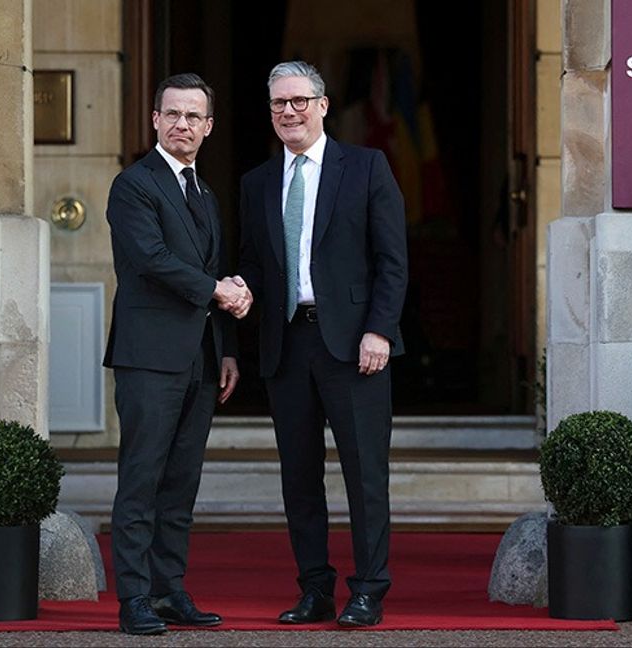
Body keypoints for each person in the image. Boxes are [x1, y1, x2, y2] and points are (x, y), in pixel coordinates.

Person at [237, 60, 407, 628]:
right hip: (286, 347)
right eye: (280, 103)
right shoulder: (257, 182)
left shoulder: (365, 167)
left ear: (323, 105)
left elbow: (392, 261)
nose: (290, 111)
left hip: (356, 346)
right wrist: (236, 291)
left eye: (300, 101)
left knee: (365, 475)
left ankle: (368, 591)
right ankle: (315, 589)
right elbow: (254, 266)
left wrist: (379, 329)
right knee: (299, 478)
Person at [103, 72, 252, 636]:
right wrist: (219, 289)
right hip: (149, 357)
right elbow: (152, 258)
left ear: (208, 127)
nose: (182, 124)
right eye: (173, 114)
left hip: (202, 358)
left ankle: (169, 592)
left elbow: (212, 271)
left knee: (182, 483)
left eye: (194, 116)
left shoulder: (204, 192)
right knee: (141, 478)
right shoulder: (134, 185)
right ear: (155, 121)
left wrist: (229, 350)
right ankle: (135, 598)